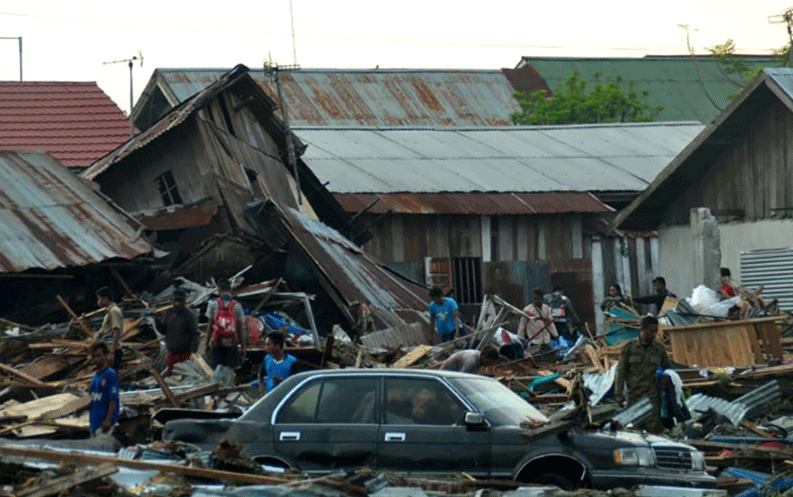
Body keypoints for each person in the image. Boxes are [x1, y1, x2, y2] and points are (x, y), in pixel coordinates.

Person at [614, 315, 670, 433]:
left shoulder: (659, 349)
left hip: (652, 395)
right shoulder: (629, 348)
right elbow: (621, 371)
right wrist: (618, 393)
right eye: (651, 331)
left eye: (655, 331)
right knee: (632, 427)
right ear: (643, 329)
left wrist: (665, 379)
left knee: (653, 428)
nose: (654, 334)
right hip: (634, 394)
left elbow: (667, 369)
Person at [204, 277, 247, 370]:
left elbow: (209, 326)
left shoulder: (213, 304)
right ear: (230, 289)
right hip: (231, 343)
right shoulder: (237, 305)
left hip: (216, 343)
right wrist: (243, 347)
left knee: (215, 370)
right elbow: (240, 328)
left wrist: (206, 344)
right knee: (231, 371)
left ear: (219, 289)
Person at [157, 288, 199, 376]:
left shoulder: (188, 315)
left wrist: (193, 351)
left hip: (184, 354)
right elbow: (163, 331)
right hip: (172, 353)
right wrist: (157, 321)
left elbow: (194, 333)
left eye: (180, 301)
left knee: (184, 377)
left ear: (184, 302)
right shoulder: (169, 313)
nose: (177, 303)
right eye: (175, 300)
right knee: (171, 376)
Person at [88, 341, 119, 438]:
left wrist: (108, 420)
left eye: (98, 355)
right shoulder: (95, 377)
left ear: (106, 356)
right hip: (94, 424)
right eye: (94, 356)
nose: (96, 359)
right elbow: (93, 398)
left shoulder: (110, 374)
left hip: (104, 425)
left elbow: (113, 398)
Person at [518, 287, 559, 357]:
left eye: (537, 299)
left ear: (542, 299)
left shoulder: (546, 309)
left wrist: (555, 335)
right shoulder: (528, 310)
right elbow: (522, 325)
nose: (535, 301)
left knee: (551, 356)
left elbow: (550, 323)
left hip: (546, 339)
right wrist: (520, 338)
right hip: (534, 340)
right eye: (534, 299)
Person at [258, 331, 298, 396]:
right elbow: (260, 375)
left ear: (278, 345)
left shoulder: (292, 361)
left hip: (285, 397)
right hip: (269, 396)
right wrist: (262, 390)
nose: (266, 347)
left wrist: (281, 381)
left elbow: (295, 383)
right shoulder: (267, 359)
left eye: (268, 344)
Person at [96, 287, 124, 370]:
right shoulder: (109, 312)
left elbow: (116, 330)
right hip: (107, 348)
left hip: (112, 349)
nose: (98, 302)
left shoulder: (114, 311)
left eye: (100, 299)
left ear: (105, 298)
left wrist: (112, 351)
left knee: (111, 375)